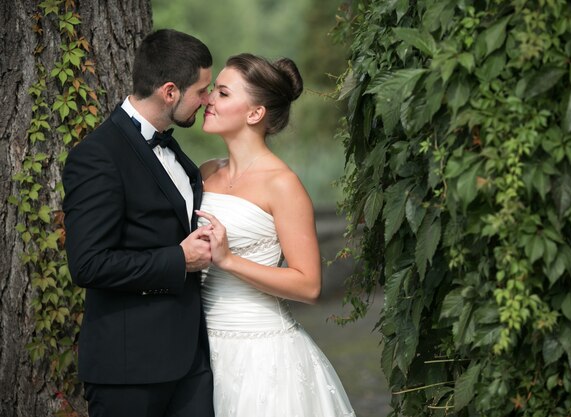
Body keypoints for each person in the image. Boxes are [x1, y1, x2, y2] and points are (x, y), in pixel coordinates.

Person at [62, 29, 215, 417]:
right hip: (129, 372)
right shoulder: (98, 156)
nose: (208, 99)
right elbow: (88, 264)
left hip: (191, 365)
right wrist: (177, 260)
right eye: (202, 90)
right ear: (169, 91)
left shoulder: (174, 148)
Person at [196, 53, 356, 416]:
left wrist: (229, 260)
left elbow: (309, 285)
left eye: (222, 93)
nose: (207, 100)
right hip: (199, 348)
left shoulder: (283, 185)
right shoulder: (205, 172)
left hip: (261, 355)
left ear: (255, 114)